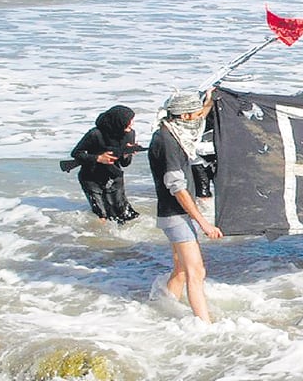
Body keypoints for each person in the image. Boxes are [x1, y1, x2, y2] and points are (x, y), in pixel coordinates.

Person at [148, 90, 223, 323]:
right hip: (176, 215)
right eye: (195, 114)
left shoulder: (173, 130)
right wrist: (204, 223)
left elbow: (198, 122)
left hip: (173, 213)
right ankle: (205, 326)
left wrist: (209, 100)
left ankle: (160, 310)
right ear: (184, 116)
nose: (199, 118)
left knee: (181, 269)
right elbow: (177, 187)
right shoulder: (168, 142)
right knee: (196, 271)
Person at [70, 105, 141, 224]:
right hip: (91, 178)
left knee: (123, 215)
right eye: (129, 120)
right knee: (101, 215)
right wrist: (98, 158)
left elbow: (125, 164)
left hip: (114, 176)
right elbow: (76, 153)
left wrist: (126, 154)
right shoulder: (95, 134)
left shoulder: (130, 134)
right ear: (119, 122)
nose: (132, 123)